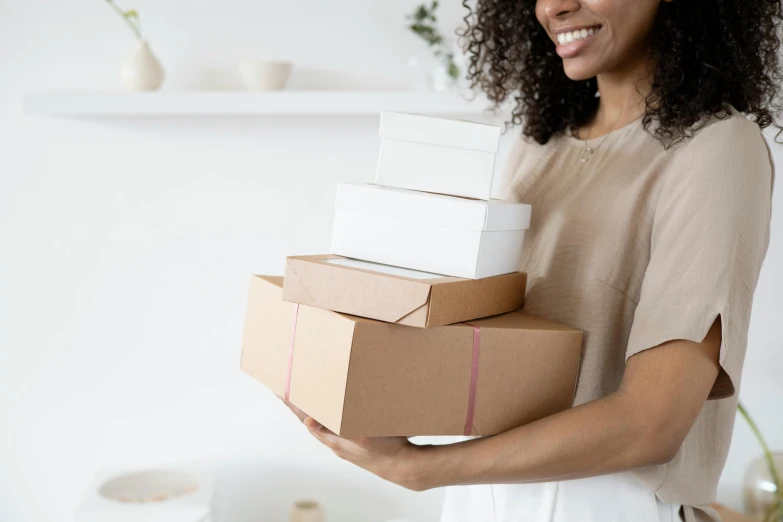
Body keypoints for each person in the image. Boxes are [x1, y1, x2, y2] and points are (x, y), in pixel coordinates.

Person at [281, 0, 779, 520]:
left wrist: (422, 469)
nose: (556, 6)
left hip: (605, 502)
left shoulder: (715, 149)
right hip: (482, 491)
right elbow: (493, 345)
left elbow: (651, 424)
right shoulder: (539, 146)